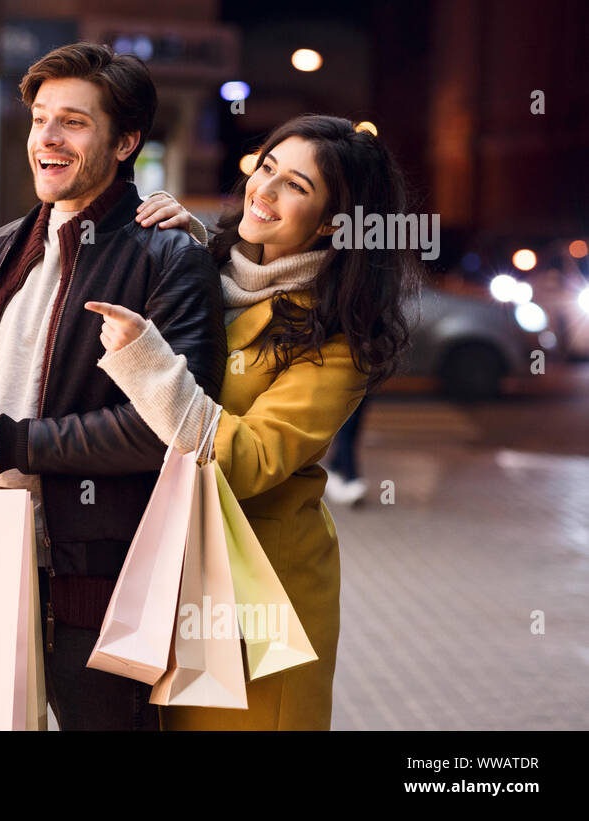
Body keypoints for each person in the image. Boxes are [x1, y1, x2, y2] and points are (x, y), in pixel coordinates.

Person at [0, 42, 226, 731]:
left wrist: (9, 440)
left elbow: (169, 432)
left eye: (74, 123)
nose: (47, 139)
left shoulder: (169, 257)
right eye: (39, 119)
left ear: (126, 142)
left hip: (104, 591)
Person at [86, 114, 418, 729]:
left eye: (295, 186)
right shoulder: (209, 270)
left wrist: (148, 364)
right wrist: (173, 250)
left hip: (257, 589)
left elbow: (250, 460)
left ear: (332, 224)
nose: (263, 190)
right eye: (266, 167)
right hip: (161, 572)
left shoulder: (337, 340)